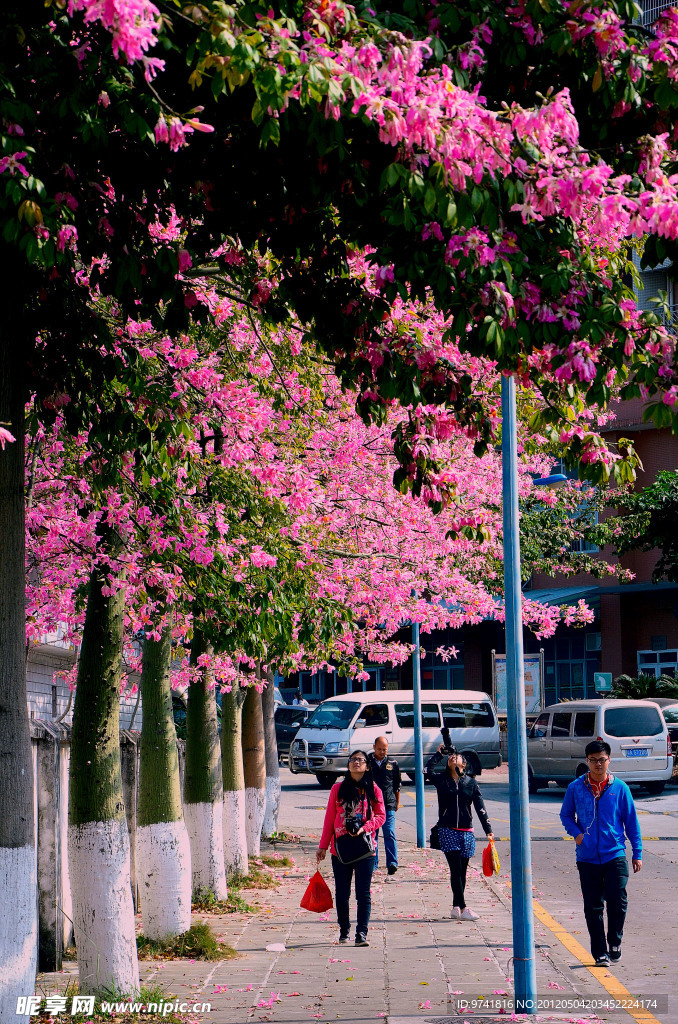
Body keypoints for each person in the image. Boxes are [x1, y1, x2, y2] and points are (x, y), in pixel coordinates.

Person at [560, 739, 642, 967]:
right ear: (587, 761)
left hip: (614, 854)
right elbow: (566, 815)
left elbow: (631, 822)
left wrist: (638, 852)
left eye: (602, 760)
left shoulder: (620, 788)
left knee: (618, 900)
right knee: (593, 906)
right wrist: (577, 835)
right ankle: (600, 953)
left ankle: (615, 941)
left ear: (609, 760)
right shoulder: (576, 787)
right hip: (586, 858)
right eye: (593, 760)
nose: (598, 764)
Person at [317, 750, 385, 946]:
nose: (356, 763)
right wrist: (323, 846)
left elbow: (381, 816)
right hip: (340, 849)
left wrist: (365, 828)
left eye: (360, 760)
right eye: (353, 759)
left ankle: (361, 933)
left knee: (363, 893)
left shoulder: (373, 789)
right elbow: (329, 818)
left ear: (367, 766)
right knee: (342, 893)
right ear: (348, 764)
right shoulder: (337, 789)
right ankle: (344, 930)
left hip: (365, 848)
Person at [425, 743, 493, 920]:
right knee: (455, 869)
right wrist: (439, 753)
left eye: (457, 757)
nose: (453, 758)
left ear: (464, 764)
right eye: (451, 758)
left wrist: (488, 829)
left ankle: (456, 907)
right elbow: (428, 769)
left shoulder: (470, 782)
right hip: (447, 829)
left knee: (462, 871)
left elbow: (480, 807)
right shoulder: (442, 780)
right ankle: (464, 908)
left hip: (467, 831)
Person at [367, 736, 401, 875]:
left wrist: (397, 803)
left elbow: (397, 785)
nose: (382, 752)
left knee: (389, 833)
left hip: (388, 804)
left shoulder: (392, 763)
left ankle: (392, 863)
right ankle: (373, 863)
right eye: (379, 749)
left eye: (384, 749)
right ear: (374, 747)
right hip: (371, 805)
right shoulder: (367, 761)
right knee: (373, 835)